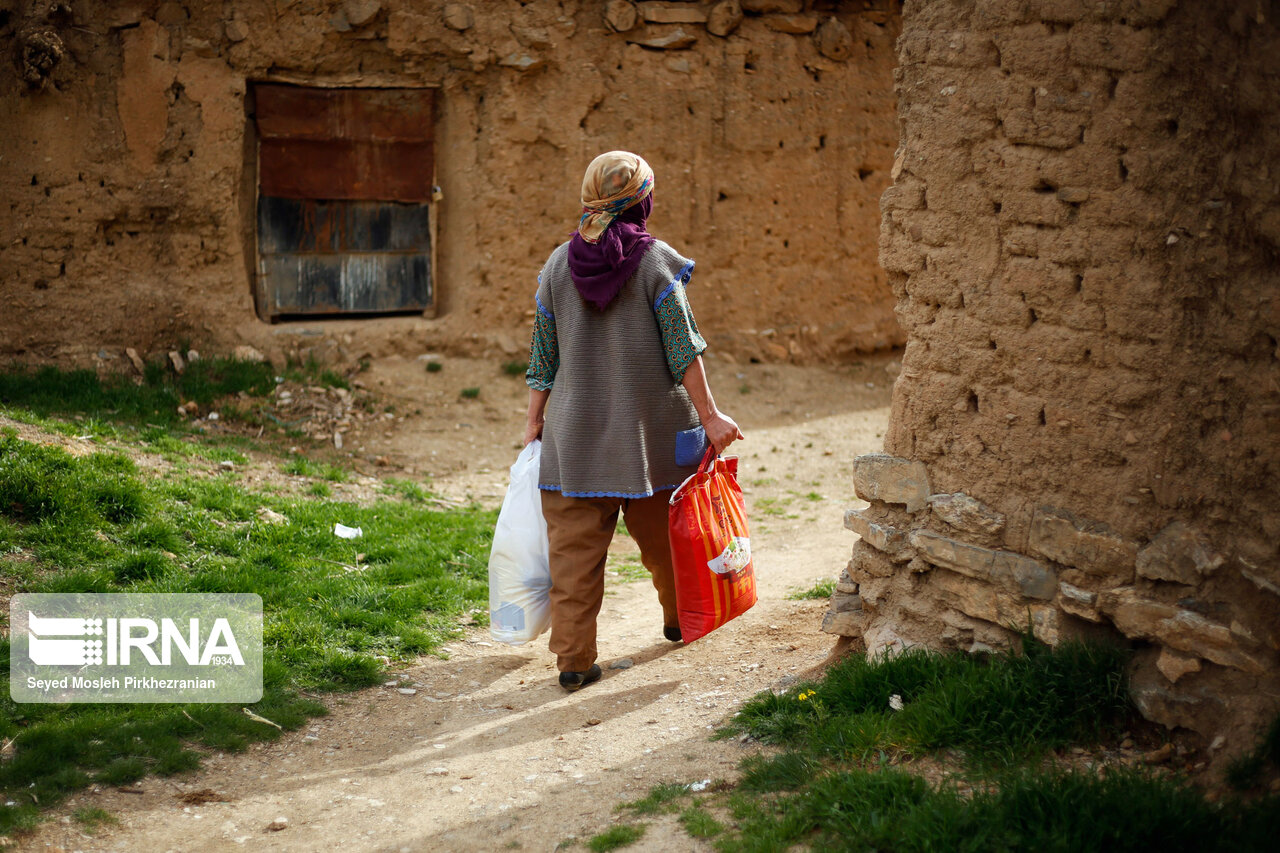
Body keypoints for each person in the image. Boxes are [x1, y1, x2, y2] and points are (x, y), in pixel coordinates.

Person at [524, 150, 743, 692]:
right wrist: (711, 417)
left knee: (573, 559)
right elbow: (683, 348)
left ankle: (574, 662)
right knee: (670, 544)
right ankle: (680, 620)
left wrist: (533, 422)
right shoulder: (654, 262)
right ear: (642, 202)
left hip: (573, 440)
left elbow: (542, 356)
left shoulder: (557, 265)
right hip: (652, 436)